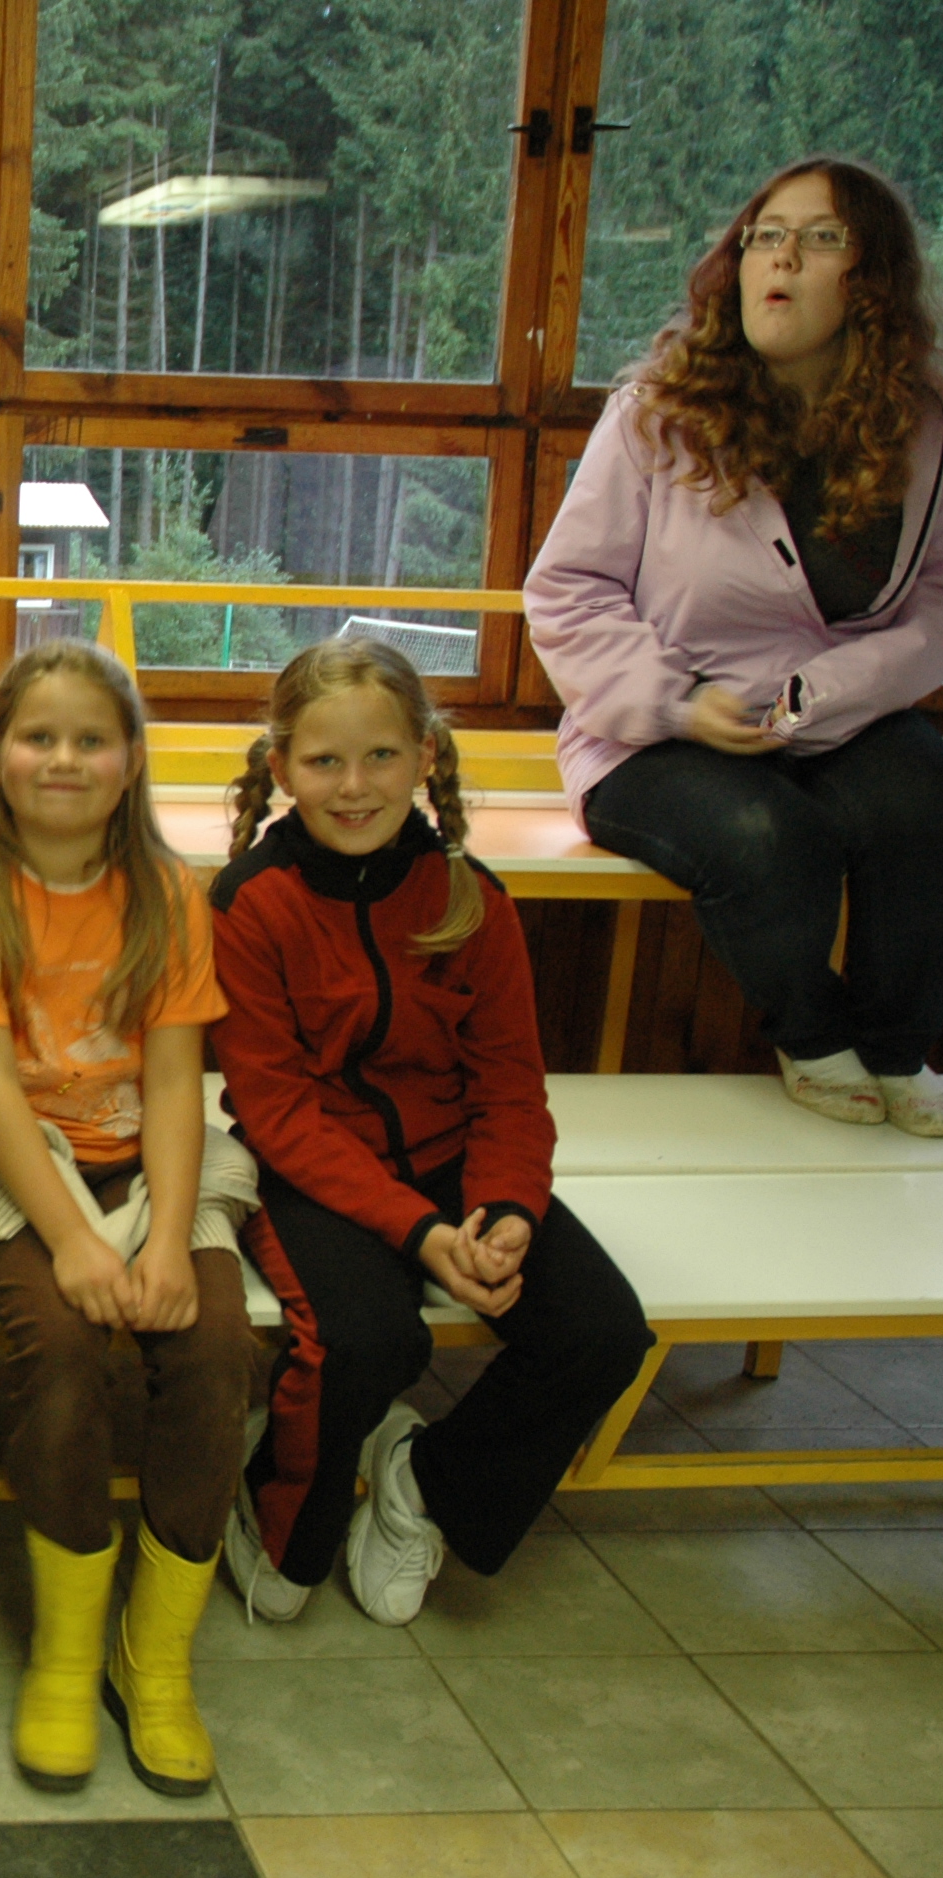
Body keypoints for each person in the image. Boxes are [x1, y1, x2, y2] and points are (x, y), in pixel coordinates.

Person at [528, 156, 943, 1135]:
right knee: (767, 836)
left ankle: (894, 1049)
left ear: (870, 278)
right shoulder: (655, 409)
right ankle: (813, 1034)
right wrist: (678, 701)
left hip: (841, 714)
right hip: (652, 729)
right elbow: (567, 591)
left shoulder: (935, 421)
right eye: (764, 236)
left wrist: (832, 689)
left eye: (820, 237)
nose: (781, 257)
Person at [214, 638, 655, 1633]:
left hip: (459, 1162)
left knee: (599, 1331)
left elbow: (510, 1087)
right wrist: (420, 1235)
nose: (353, 785)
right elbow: (278, 1112)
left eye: (380, 755)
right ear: (281, 767)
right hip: (313, 1173)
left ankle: (425, 1482)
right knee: (368, 1339)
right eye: (323, 760)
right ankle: (280, 1516)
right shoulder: (249, 904)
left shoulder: (473, 898)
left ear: (424, 757)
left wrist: (505, 1209)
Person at [0, 641, 253, 1798]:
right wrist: (66, 1238)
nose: (62, 758)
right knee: (60, 1349)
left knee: (212, 1346)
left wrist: (166, 1238)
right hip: (14, 1163)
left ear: (131, 759)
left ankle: (151, 1651)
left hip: (146, 1161)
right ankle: (64, 1647)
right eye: (37, 736)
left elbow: (174, 1079)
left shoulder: (168, 892)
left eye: (89, 739)